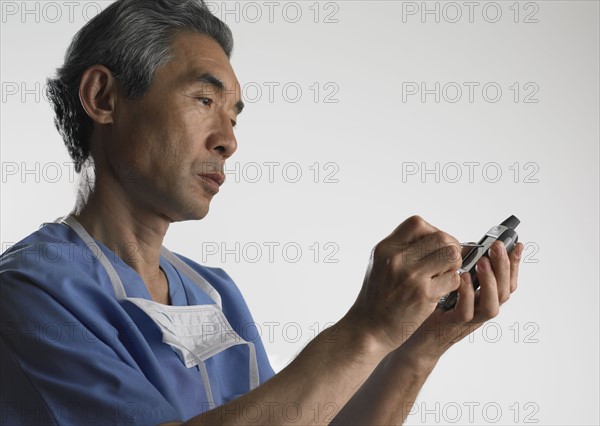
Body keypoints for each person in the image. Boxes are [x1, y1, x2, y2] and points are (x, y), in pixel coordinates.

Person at [0, 0, 523, 424]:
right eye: (204, 100)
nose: (227, 141)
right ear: (103, 97)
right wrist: (367, 330)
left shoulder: (214, 292)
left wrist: (414, 349)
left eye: (233, 116)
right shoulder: (31, 290)